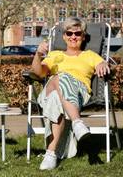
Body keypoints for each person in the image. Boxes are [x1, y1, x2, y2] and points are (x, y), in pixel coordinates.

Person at [31, 17, 110, 170]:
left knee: (56, 98)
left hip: (79, 94)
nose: (73, 36)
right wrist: (38, 55)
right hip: (50, 89)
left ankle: (50, 154)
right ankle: (77, 122)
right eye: (69, 33)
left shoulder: (90, 55)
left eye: (78, 33)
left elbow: (102, 63)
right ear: (64, 36)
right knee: (60, 77)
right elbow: (39, 73)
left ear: (83, 36)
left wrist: (102, 64)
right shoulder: (54, 55)